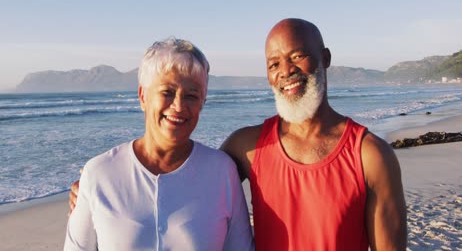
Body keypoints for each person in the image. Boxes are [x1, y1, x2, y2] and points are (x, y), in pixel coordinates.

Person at [70, 19, 407, 250]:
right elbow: (186, 177)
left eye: (297, 56)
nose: (285, 70)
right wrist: (94, 186)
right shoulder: (248, 147)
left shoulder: (369, 155)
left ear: (325, 58)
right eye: (274, 63)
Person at [64, 38, 254, 251]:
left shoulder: (221, 171)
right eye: (167, 92)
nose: (179, 106)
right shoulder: (99, 173)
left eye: (192, 95)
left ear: (203, 102)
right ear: (143, 96)